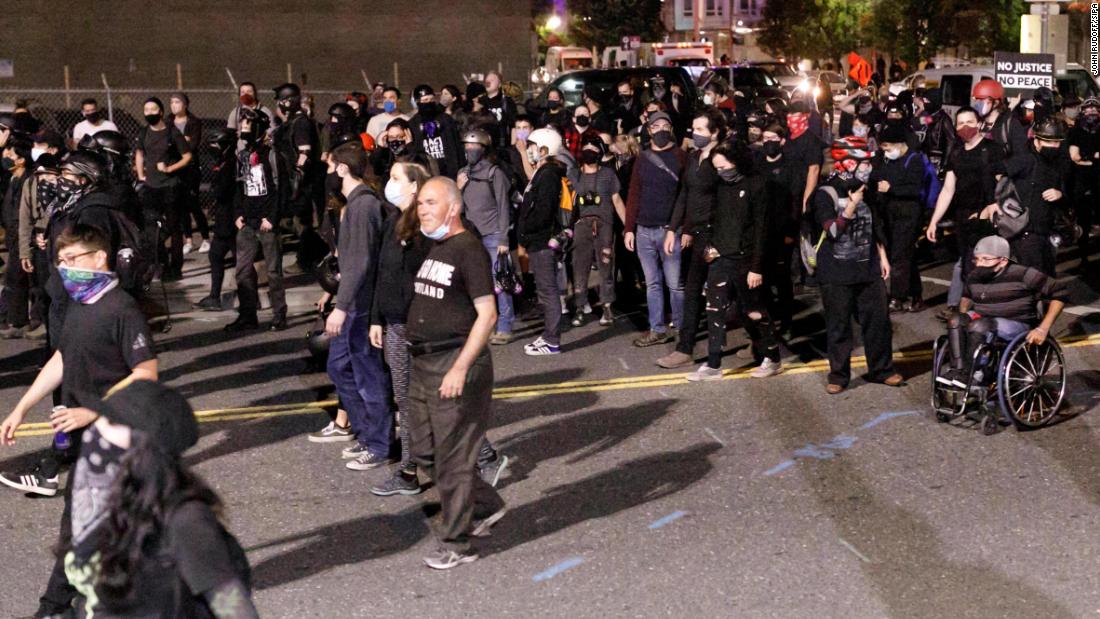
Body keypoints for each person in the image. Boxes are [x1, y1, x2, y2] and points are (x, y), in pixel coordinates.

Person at [0, 224, 157, 615]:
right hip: (88, 439)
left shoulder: (122, 310)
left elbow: (146, 375)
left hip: (117, 435)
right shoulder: (79, 306)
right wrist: (21, 408)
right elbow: (62, 359)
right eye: (61, 261)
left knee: (80, 526)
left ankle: (53, 608)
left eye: (73, 259)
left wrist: (94, 410)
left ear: (99, 259)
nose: (65, 268)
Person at [62, 380, 257, 617]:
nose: (96, 429)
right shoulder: (113, 502)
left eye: (112, 421)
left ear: (145, 447)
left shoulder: (186, 520)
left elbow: (235, 610)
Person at [406, 176, 506, 569]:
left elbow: (488, 314)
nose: (423, 210)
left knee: (452, 458)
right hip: (423, 363)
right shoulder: (437, 248)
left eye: (430, 202)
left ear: (454, 207)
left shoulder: (468, 250)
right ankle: (486, 504)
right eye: (420, 204)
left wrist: (461, 368)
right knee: (424, 450)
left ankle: (457, 544)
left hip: (454, 362)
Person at [318, 143, 394, 471]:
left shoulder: (363, 206)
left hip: (361, 305)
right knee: (339, 367)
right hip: (354, 302)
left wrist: (342, 306)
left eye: (330, 166)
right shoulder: (354, 205)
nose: (327, 174)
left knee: (368, 375)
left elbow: (361, 262)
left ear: (343, 169)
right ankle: (365, 433)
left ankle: (379, 444)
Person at [813, 138, 904, 394]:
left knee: (878, 323)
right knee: (839, 326)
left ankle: (882, 370)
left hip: (868, 267)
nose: (867, 167)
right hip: (836, 272)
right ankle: (839, 375)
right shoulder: (825, 193)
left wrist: (882, 255)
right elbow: (832, 231)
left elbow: (876, 226)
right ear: (847, 163)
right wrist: (851, 204)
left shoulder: (868, 189)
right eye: (863, 162)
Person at [686, 141, 782, 382]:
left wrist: (756, 267)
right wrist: (710, 250)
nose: (721, 172)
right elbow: (711, 220)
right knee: (714, 310)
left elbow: (761, 229)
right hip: (720, 257)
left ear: (737, 161)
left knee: (753, 311)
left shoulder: (756, 185)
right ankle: (713, 364)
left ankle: (773, 356)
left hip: (745, 260)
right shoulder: (720, 187)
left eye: (724, 166)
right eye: (717, 168)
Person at [366, 161, 433, 494]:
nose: (388, 184)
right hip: (394, 324)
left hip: (416, 327)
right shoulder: (391, 222)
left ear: (414, 186)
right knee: (406, 400)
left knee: (433, 399)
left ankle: (480, 455)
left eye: (395, 178)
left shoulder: (423, 229)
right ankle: (410, 470)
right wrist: (377, 318)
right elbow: (383, 273)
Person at [940, 235, 1067, 388]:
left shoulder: (1023, 274)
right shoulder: (974, 275)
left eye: (986, 259)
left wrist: (1043, 328)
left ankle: (969, 373)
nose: (980, 264)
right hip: (984, 320)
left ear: (1003, 260)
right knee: (955, 320)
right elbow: (966, 297)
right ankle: (958, 370)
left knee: (980, 325)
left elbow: (1060, 293)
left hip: (1017, 323)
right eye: (977, 259)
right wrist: (962, 319)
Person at [656, 109, 724, 369]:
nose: (695, 134)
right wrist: (673, 229)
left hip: (716, 236)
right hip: (696, 235)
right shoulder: (695, 158)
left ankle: (761, 345)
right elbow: (684, 194)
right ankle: (685, 348)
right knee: (693, 291)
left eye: (701, 130)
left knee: (730, 292)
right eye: (694, 129)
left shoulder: (721, 160)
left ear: (715, 132)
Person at [926, 106, 1005, 319]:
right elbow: (948, 189)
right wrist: (934, 220)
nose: (965, 127)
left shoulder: (993, 149)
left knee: (981, 263)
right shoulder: (956, 152)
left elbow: (1004, 186)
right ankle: (966, 309)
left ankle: (973, 310)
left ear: (979, 123)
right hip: (963, 218)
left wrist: (991, 209)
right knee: (966, 264)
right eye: (960, 123)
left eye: (969, 122)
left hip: (987, 217)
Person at [626, 112, 686, 349]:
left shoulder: (681, 157)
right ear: (648, 130)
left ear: (671, 128)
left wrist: (684, 229)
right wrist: (629, 228)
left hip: (670, 231)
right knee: (652, 284)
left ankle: (682, 329)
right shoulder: (642, 158)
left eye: (665, 125)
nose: (660, 129)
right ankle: (657, 329)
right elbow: (634, 194)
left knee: (674, 284)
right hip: (643, 231)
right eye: (656, 126)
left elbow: (687, 195)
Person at [226, 107, 287, 332]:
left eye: (249, 125)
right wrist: (238, 215)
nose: (244, 129)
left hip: (266, 223)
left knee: (273, 271)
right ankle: (247, 314)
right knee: (242, 270)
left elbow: (281, 189)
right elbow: (239, 187)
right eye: (242, 125)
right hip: (247, 222)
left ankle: (279, 314)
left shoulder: (271, 155)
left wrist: (271, 217)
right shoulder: (243, 156)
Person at [457, 128, 516, 344]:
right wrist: (458, 187)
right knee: (478, 284)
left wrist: (503, 239)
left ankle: (505, 325)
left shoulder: (494, 173)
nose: (470, 149)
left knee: (500, 282)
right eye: (467, 145)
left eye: (475, 146)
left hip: (493, 234)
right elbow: (458, 207)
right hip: (471, 235)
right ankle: (486, 324)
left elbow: (503, 206)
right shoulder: (463, 173)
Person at [993, 117, 1067, 276]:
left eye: (1057, 142)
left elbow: (1067, 192)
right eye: (1049, 142)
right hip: (1026, 231)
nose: (1054, 146)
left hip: (1046, 230)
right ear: (1037, 142)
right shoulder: (1026, 160)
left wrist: (1060, 194)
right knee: (1034, 278)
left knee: (1047, 276)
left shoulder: (1057, 163)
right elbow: (995, 170)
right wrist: (999, 200)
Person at [518, 128, 567, 355]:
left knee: (548, 291)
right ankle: (548, 334)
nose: (529, 150)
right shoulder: (542, 172)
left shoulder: (548, 175)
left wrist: (527, 230)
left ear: (545, 149)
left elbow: (543, 211)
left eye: (533, 146)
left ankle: (552, 340)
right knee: (544, 290)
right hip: (537, 240)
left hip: (542, 241)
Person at [134, 96, 192, 281]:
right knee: (151, 228)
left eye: (153, 109)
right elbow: (139, 153)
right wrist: (141, 174)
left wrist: (169, 169)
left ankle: (176, 268)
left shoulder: (171, 133)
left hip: (170, 187)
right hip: (151, 187)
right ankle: (160, 263)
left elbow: (187, 156)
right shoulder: (143, 133)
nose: (149, 113)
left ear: (160, 112)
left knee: (174, 228)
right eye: (146, 110)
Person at [869, 123, 927, 312]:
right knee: (905, 256)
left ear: (899, 144)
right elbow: (875, 176)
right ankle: (916, 294)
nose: (885, 151)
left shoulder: (914, 160)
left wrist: (891, 189)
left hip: (909, 214)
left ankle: (897, 297)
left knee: (899, 256)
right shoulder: (884, 160)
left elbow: (915, 189)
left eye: (887, 147)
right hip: (889, 214)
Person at [571, 135, 624, 327]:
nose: (588, 153)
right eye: (585, 149)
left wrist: (627, 228)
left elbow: (617, 201)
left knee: (606, 266)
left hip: (605, 225)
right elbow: (567, 204)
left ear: (599, 153)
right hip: (582, 225)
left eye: (593, 150)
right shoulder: (574, 174)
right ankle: (579, 307)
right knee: (580, 267)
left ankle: (607, 307)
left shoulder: (608, 175)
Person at [755, 122, 799, 332]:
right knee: (762, 276)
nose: (768, 143)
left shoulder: (790, 166)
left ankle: (786, 318)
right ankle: (769, 315)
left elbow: (794, 201)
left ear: (782, 141)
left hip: (782, 232)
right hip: (761, 231)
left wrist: (791, 232)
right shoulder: (757, 166)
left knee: (782, 278)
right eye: (765, 139)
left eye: (773, 139)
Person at [193, 127, 239, 311]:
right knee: (216, 256)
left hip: (230, 219)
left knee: (240, 261)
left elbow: (222, 192)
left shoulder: (230, 165)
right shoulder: (224, 163)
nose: (212, 148)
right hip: (225, 219)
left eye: (215, 144)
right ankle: (214, 297)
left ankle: (247, 298)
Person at [16, 153, 60, 341]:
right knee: (43, 289)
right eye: (41, 176)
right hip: (40, 242)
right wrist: (25, 251)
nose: (45, 180)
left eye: (49, 176)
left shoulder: (66, 188)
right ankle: (47, 329)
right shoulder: (30, 184)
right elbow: (25, 219)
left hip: (59, 243)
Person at [169, 92, 210, 255]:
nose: (174, 105)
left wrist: (179, 142)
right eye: (171, 102)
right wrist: (181, 140)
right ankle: (188, 240)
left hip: (190, 169)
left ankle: (206, 238)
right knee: (181, 207)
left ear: (185, 104)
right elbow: (167, 143)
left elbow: (192, 145)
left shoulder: (194, 122)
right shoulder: (168, 122)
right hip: (175, 168)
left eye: (177, 102)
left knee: (193, 204)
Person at [2, 137, 33, 338]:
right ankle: (16, 319)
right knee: (13, 278)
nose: (6, 158)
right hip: (12, 237)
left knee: (22, 277)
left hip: (23, 237)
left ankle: (25, 320)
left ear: (21, 160)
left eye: (11, 155)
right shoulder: (12, 180)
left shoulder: (26, 181)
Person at [1069, 97, 1100, 268]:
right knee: (1084, 220)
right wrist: (1093, 156)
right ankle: (1084, 256)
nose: (1091, 113)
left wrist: (1087, 157)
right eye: (1088, 110)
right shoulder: (1076, 131)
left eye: (1095, 109)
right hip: (1082, 182)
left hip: (1096, 180)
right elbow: (1075, 157)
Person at [409, 84, 463, 179]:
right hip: (426, 173)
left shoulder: (446, 120)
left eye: (431, 99)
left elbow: (457, 146)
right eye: (425, 100)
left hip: (449, 173)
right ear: (418, 102)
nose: (429, 103)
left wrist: (461, 169)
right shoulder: (413, 124)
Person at [482, 71, 517, 148]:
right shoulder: (480, 101)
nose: (488, 82)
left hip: (502, 144)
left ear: (499, 84)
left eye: (492, 80)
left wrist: (513, 146)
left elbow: (513, 125)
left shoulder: (507, 102)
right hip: (484, 143)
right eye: (487, 80)